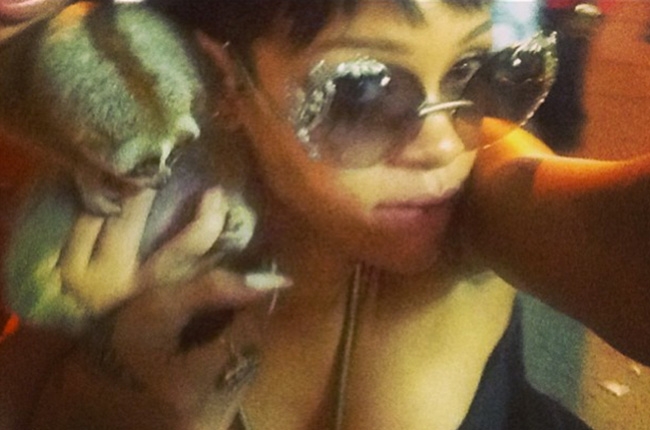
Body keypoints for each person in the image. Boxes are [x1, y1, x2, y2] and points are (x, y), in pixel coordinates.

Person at [0, 0, 640, 428]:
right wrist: (102, 398)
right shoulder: (135, 213)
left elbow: (609, 240)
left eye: (473, 69)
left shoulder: (483, 190)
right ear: (226, 80)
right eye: (360, 89)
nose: (445, 144)